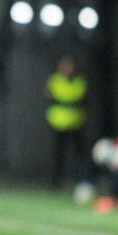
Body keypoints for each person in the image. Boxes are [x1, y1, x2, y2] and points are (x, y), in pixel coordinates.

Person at [45, 55, 88, 190]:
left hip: (76, 122)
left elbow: (85, 99)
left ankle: (82, 181)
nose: (67, 68)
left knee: (80, 154)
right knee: (59, 154)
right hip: (59, 123)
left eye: (69, 65)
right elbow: (48, 97)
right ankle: (56, 182)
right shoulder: (54, 80)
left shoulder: (80, 81)